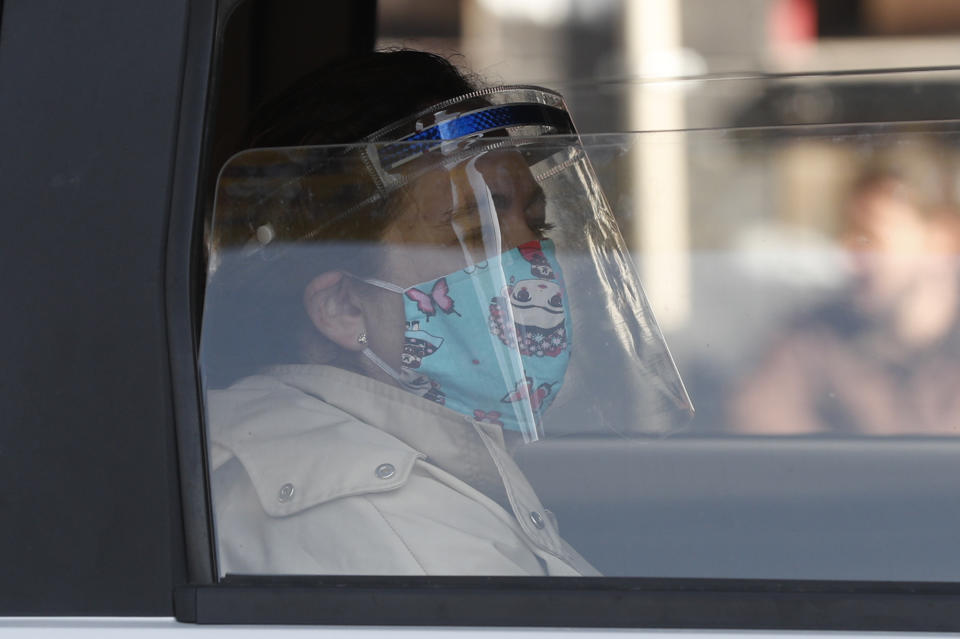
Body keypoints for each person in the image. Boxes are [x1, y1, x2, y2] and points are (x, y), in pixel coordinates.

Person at [202, 50, 691, 576]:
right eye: (477, 232)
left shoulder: (405, 466)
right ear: (343, 307)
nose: (532, 264)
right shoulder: (396, 529)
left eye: (539, 228)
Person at [730, 140, 960, 435]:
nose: (848, 257)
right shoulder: (813, 339)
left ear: (942, 240)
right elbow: (755, 422)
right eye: (848, 233)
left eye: (870, 237)